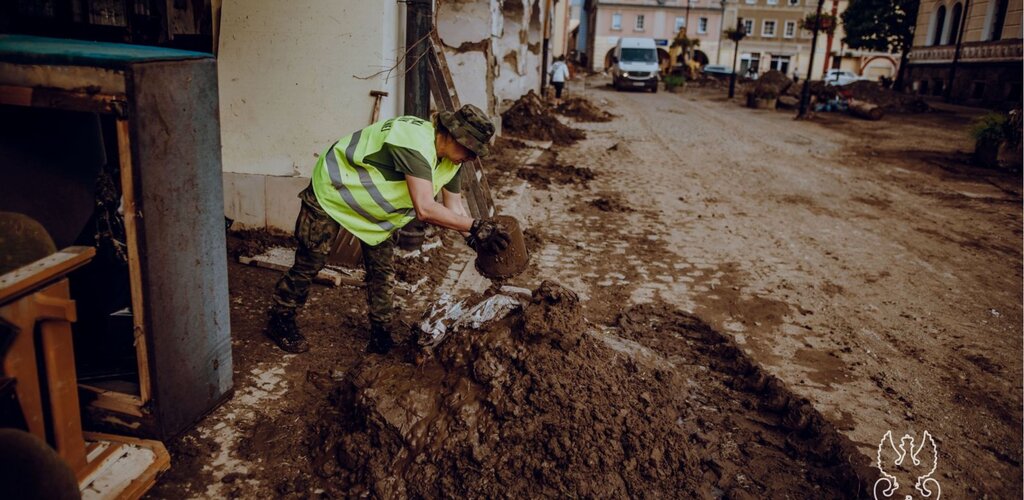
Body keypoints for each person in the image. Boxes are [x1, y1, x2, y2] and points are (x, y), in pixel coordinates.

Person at [265, 104, 511, 355]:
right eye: (469, 150)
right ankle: (280, 318)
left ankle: (381, 334)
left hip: (376, 213)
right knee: (311, 260)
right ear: (450, 134)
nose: (471, 158)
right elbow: (425, 208)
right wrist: (476, 226)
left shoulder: (452, 160)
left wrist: (474, 238)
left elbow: (455, 207)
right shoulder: (413, 142)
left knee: (382, 271)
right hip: (334, 191)